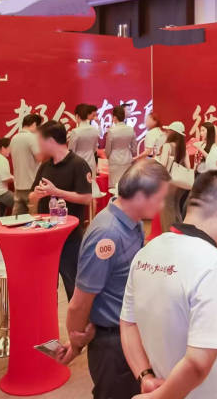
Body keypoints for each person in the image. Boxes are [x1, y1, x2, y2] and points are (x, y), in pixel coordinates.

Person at [120, 170, 217, 399]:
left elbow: (128, 323)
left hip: (163, 387)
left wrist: (145, 376)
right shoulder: (214, 263)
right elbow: (198, 363)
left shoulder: (146, 252)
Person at [55, 160, 171, 399]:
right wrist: (76, 342)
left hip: (130, 331)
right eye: (159, 199)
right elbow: (79, 302)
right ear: (141, 195)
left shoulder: (133, 222)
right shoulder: (107, 234)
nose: (162, 206)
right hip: (112, 343)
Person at [30, 121, 93, 300]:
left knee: (73, 284)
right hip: (45, 234)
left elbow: (86, 198)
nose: (39, 146)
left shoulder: (78, 164)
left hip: (69, 237)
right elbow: (32, 196)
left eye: (40, 141)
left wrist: (56, 192)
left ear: (50, 141)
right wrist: (36, 195)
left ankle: (77, 318)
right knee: (46, 287)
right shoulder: (45, 166)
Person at [157, 121, 192, 231]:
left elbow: (163, 165)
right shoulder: (183, 149)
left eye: (169, 131)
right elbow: (188, 167)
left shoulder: (167, 146)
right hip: (181, 183)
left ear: (173, 133)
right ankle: (179, 232)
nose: (167, 132)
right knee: (176, 207)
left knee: (167, 209)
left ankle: (169, 233)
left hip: (169, 182)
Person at [9, 113, 43, 214]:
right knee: (34, 216)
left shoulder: (14, 138)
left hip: (18, 185)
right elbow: (39, 158)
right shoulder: (32, 137)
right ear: (34, 124)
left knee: (17, 218)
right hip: (31, 184)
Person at [105, 105, 137, 189]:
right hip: (127, 159)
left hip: (114, 160)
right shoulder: (131, 129)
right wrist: (131, 155)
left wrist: (108, 157)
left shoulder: (111, 131)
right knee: (126, 185)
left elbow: (108, 150)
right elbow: (134, 149)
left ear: (114, 117)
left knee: (114, 186)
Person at [69, 103, 100, 175]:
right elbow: (94, 149)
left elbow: (71, 151)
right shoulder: (95, 130)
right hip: (91, 162)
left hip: (78, 164)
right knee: (92, 181)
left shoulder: (75, 132)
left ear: (77, 116)